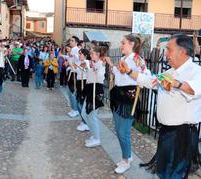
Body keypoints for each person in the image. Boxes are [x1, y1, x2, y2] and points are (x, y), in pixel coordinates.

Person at [119, 34, 201, 178]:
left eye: (169, 49)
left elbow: (194, 89)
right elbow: (150, 81)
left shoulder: (196, 71)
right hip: (167, 131)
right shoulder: (169, 72)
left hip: (182, 133)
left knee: (174, 173)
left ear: (182, 52)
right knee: (163, 171)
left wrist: (176, 83)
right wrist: (129, 71)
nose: (166, 54)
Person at [106, 34, 144, 174]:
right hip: (117, 95)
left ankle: (127, 159)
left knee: (124, 132)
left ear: (132, 44)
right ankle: (126, 156)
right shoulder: (123, 59)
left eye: (123, 43)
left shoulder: (137, 59)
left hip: (128, 98)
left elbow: (144, 76)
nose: (121, 45)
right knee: (118, 130)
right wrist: (111, 65)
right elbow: (118, 73)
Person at [81, 46, 105, 148]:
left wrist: (95, 70)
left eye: (92, 54)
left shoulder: (101, 64)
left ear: (98, 55)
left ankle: (97, 138)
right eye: (90, 54)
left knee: (92, 115)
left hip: (96, 90)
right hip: (90, 89)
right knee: (84, 113)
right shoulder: (93, 63)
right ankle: (94, 134)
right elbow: (90, 76)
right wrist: (87, 69)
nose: (90, 55)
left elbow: (100, 77)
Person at [75, 49, 90, 132]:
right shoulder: (78, 62)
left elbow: (88, 72)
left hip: (84, 82)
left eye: (81, 54)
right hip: (79, 82)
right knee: (78, 102)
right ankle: (83, 120)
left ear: (85, 55)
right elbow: (76, 71)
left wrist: (84, 67)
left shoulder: (87, 62)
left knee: (81, 102)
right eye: (79, 54)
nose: (79, 55)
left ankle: (86, 122)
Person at [67, 36, 80, 118]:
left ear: (76, 42)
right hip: (70, 71)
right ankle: (73, 108)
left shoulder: (77, 50)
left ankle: (76, 110)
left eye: (72, 40)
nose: (70, 42)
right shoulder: (72, 50)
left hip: (75, 73)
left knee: (73, 92)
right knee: (69, 91)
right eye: (70, 40)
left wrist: (73, 55)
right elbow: (69, 59)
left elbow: (79, 58)